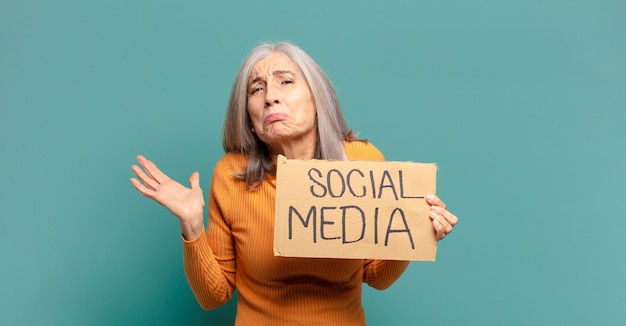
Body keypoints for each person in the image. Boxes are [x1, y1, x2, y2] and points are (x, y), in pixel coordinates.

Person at [130, 41, 458, 325]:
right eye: (256, 89)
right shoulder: (231, 175)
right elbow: (213, 296)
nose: (270, 97)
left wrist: (414, 234)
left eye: (286, 81)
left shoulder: (363, 161)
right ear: (248, 116)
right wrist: (191, 226)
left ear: (318, 97)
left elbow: (377, 277)